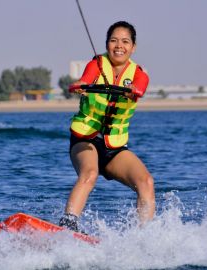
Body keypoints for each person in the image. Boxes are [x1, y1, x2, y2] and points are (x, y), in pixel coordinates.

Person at [59, 21, 155, 232]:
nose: (118, 46)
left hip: (114, 147)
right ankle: (67, 226)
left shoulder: (139, 74)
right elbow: (85, 79)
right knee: (90, 173)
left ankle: (144, 238)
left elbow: (140, 87)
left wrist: (134, 92)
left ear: (133, 47)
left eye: (125, 41)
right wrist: (81, 87)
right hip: (85, 140)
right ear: (107, 44)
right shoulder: (96, 65)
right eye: (113, 40)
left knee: (146, 181)